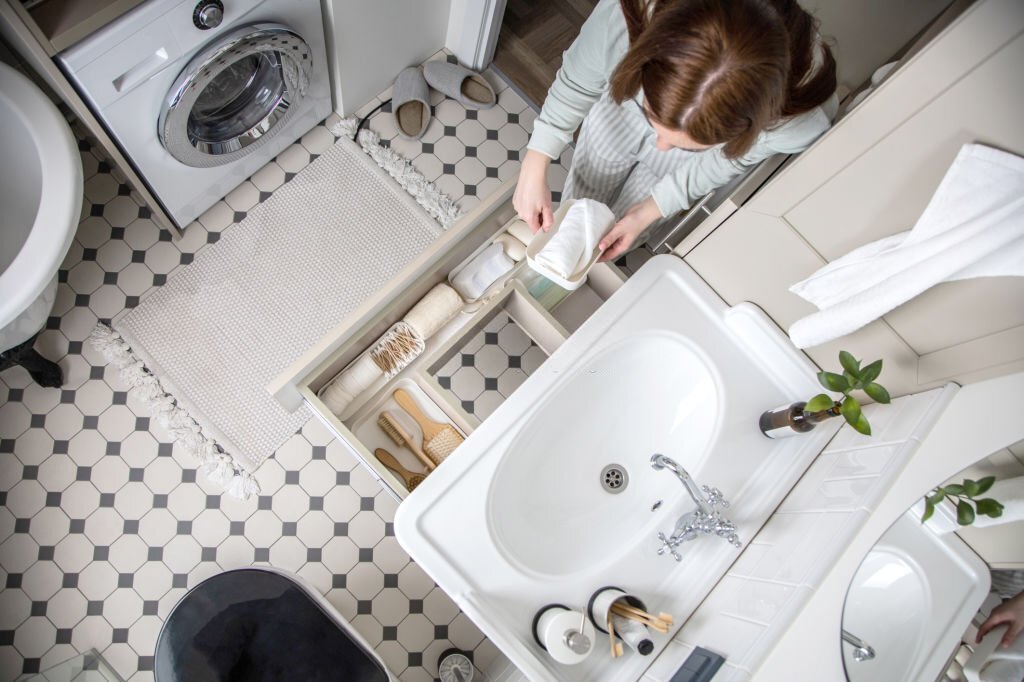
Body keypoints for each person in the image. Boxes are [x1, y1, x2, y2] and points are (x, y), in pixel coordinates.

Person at [513, 0, 838, 262]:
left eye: (689, 143)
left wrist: (648, 212)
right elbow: (577, 82)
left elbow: (726, 163)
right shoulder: (629, 15)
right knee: (590, 178)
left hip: (694, 166)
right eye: (652, 115)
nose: (661, 145)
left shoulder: (797, 121)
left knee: (628, 218)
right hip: (621, 108)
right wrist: (536, 160)